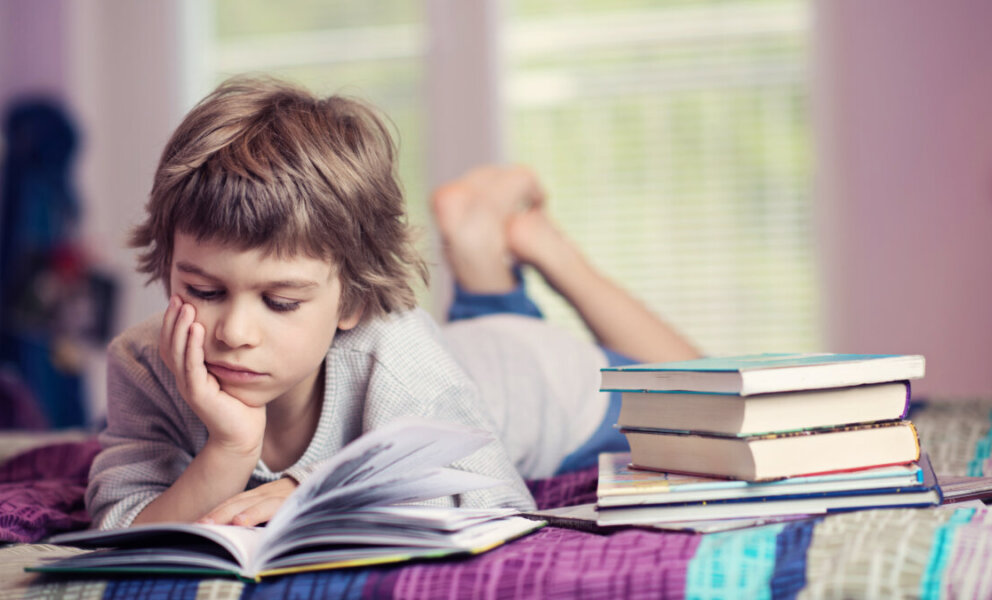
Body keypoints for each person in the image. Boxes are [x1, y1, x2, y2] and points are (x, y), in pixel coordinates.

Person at [85, 77, 537, 530]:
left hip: (532, 372)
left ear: (353, 300)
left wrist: (315, 489)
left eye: (280, 302)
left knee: (584, 347)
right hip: (464, 345)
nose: (234, 333)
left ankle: (524, 239)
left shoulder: (397, 355)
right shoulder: (142, 361)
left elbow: (501, 503)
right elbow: (121, 526)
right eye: (205, 292)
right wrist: (230, 449)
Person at [430, 166, 700, 478]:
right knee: (716, 406)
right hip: (494, 359)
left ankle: (514, 254)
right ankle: (525, 252)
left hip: (513, 374)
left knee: (720, 408)